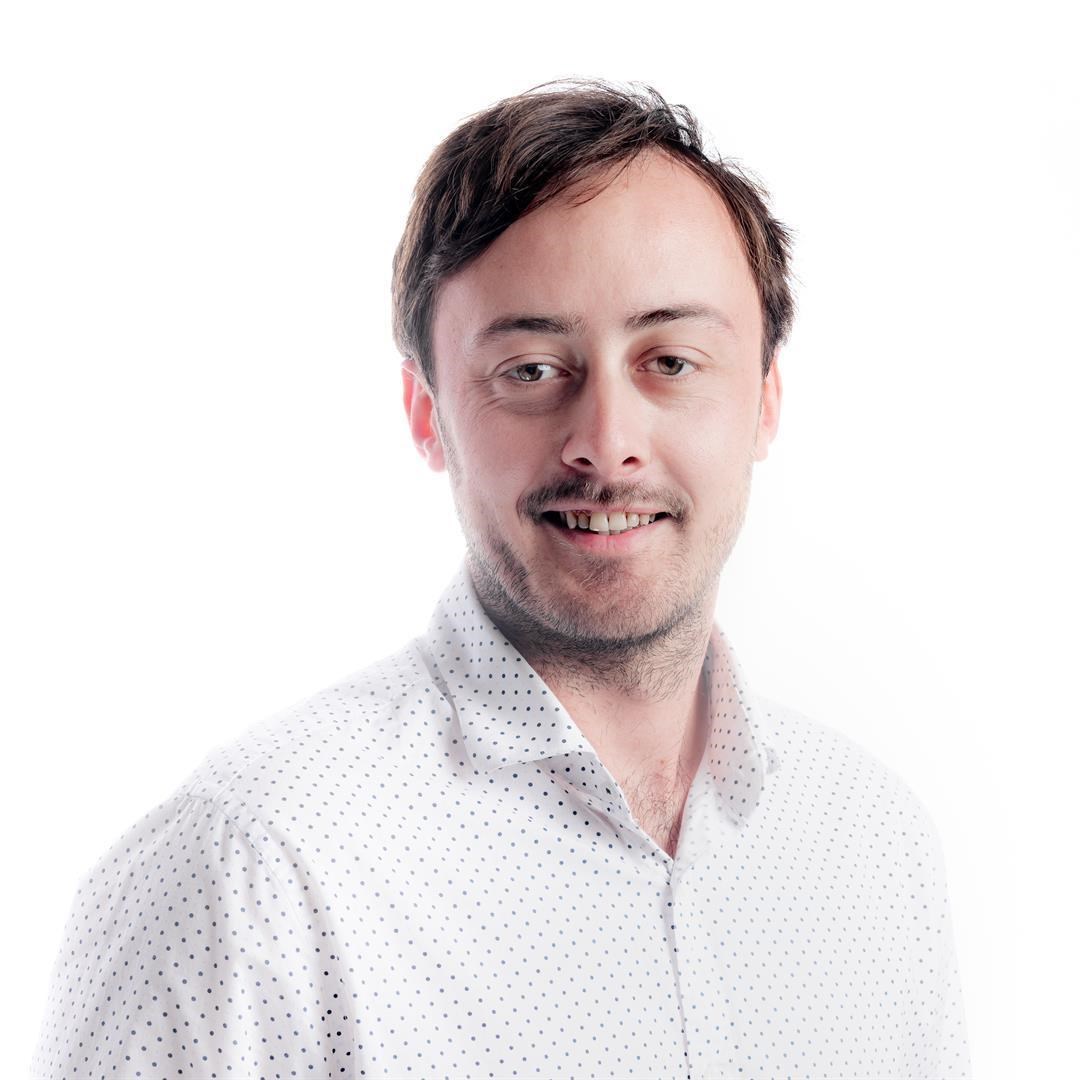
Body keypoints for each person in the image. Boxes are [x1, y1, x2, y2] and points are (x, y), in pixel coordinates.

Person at [32, 79, 971, 1079]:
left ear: (766, 402)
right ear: (427, 413)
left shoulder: (877, 847)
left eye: (671, 361)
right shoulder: (248, 876)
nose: (607, 442)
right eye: (530, 370)